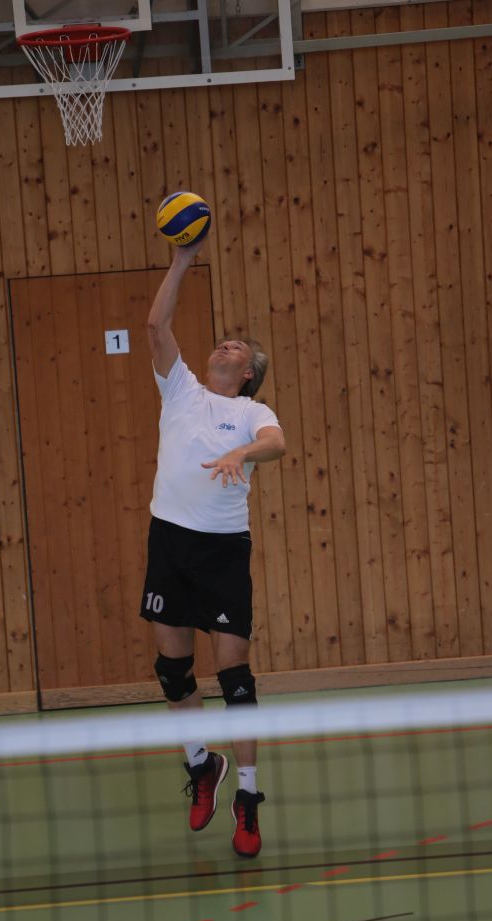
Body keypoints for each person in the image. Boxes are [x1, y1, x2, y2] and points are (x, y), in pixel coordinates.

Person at [141, 237, 286, 858]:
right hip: (169, 542)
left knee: (234, 677)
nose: (225, 346)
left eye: (237, 348)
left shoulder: (253, 412)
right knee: (172, 671)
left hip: (223, 551)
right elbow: (155, 326)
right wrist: (181, 261)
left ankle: (247, 800)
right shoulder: (181, 390)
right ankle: (203, 765)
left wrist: (240, 452)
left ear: (248, 372)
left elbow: (277, 444)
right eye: (222, 342)